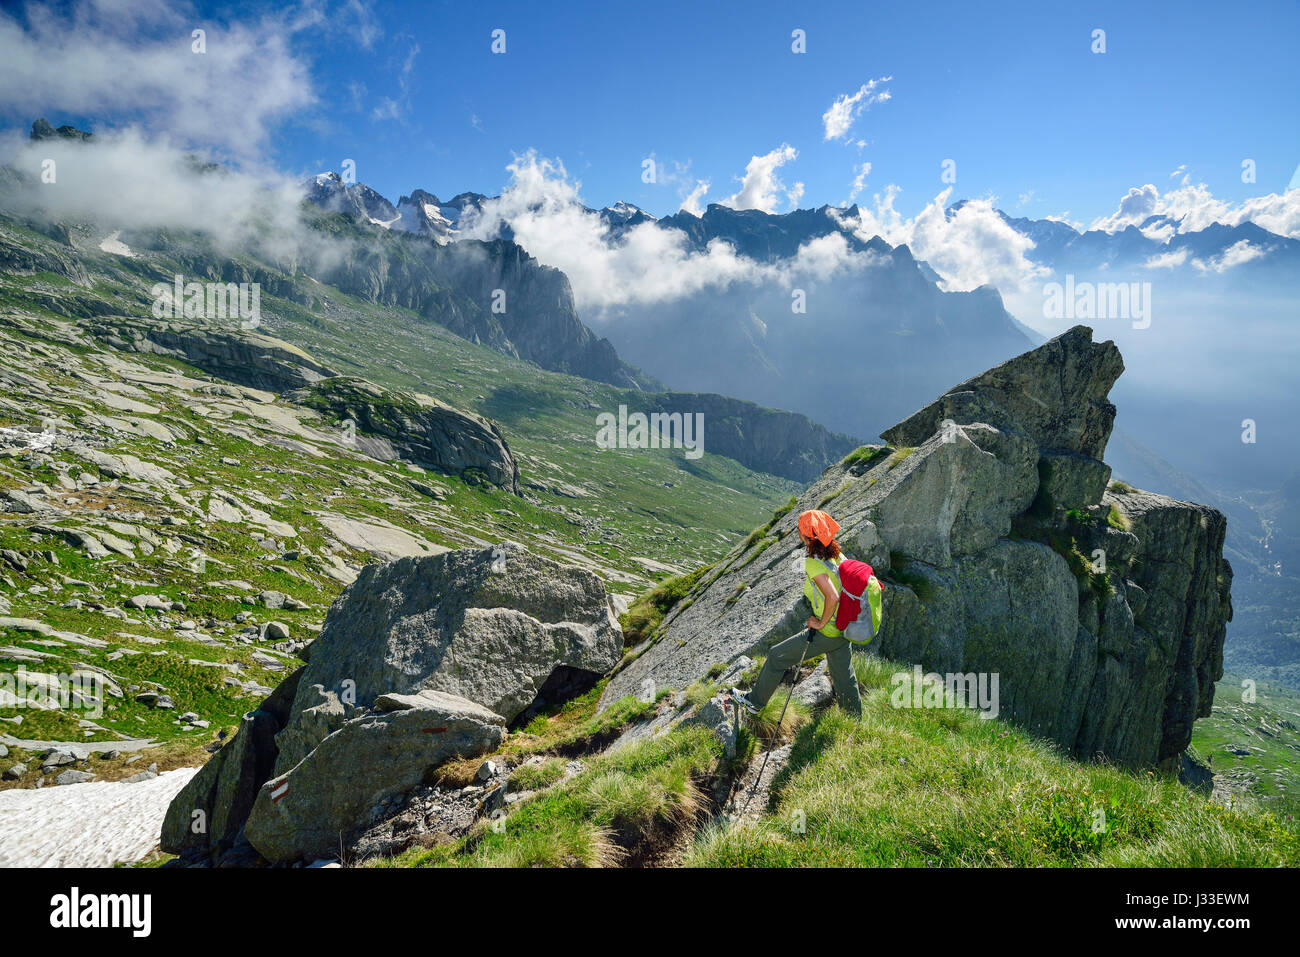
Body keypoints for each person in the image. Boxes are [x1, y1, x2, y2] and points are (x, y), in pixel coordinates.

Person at [731, 509, 862, 718]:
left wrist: (820, 623)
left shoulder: (813, 563)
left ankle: (754, 702)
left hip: (828, 631)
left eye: (800, 530)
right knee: (845, 678)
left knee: (776, 656)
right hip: (845, 627)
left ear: (806, 535)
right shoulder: (837, 555)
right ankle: (854, 721)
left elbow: (833, 596)